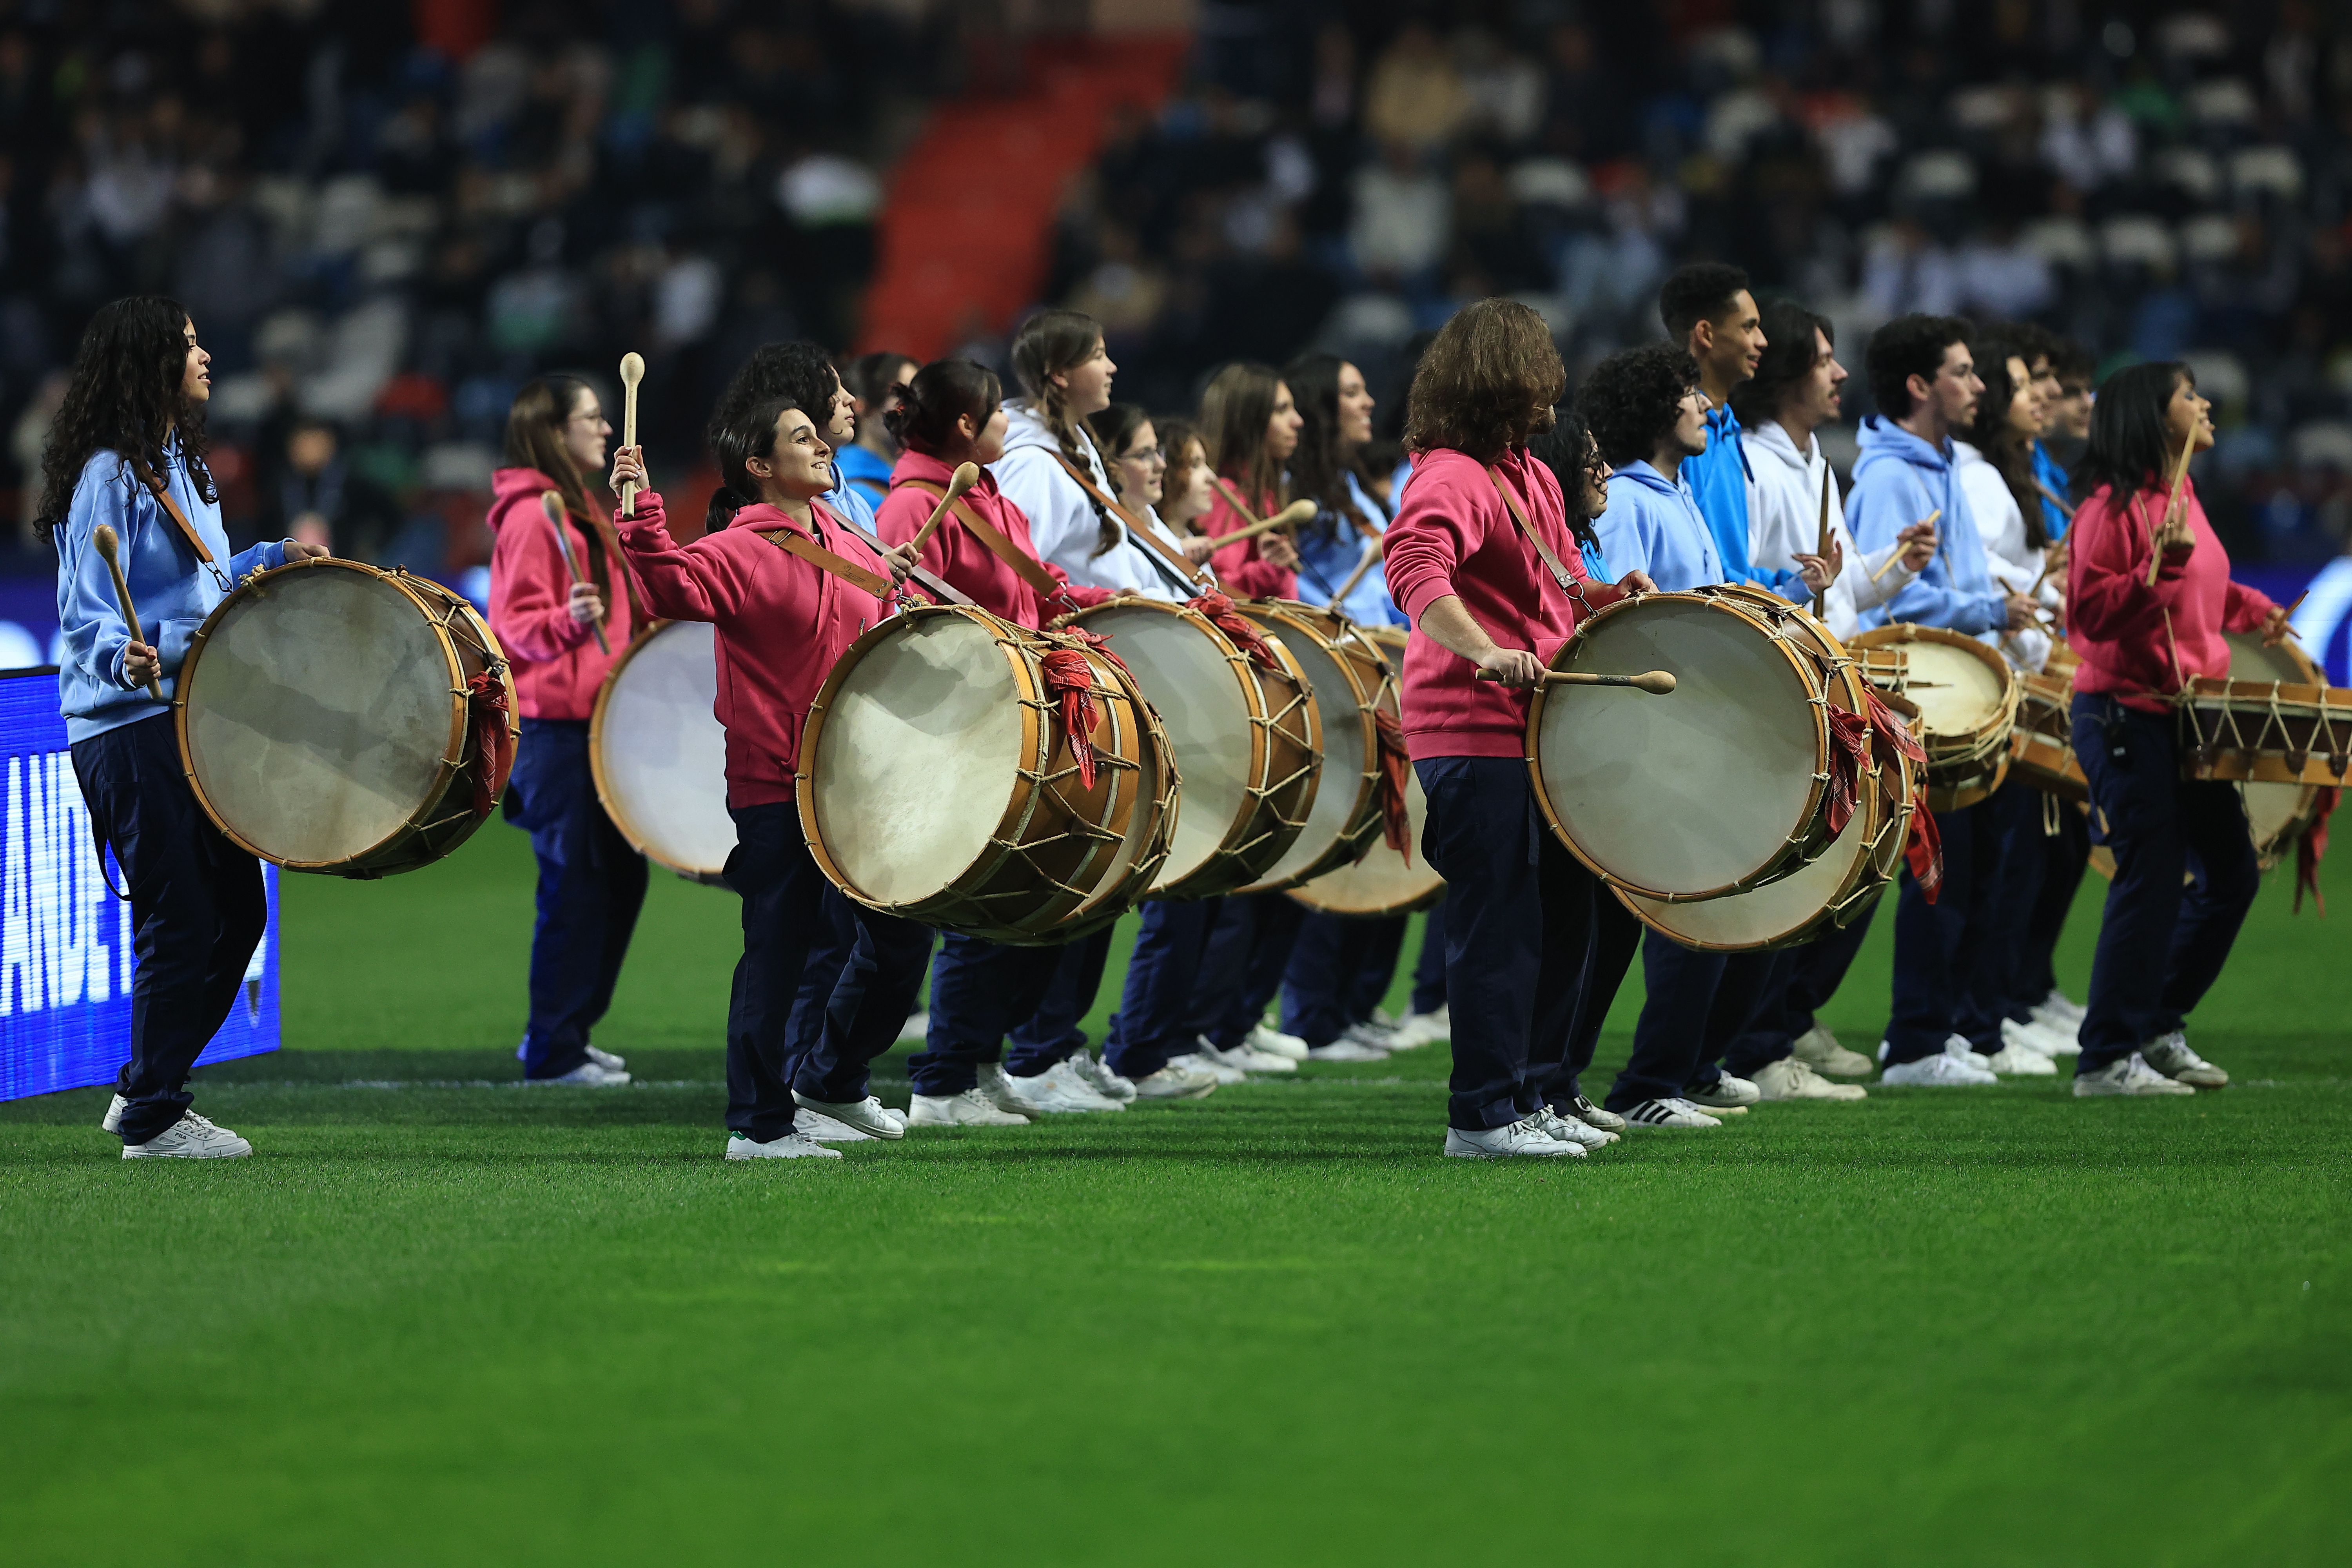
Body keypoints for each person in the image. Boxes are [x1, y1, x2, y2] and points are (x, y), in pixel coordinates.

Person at [612, 397, 935, 1160]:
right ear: (759, 466)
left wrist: (902, 594)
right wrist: (641, 515)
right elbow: (668, 588)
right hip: (775, 782)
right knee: (778, 954)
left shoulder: (842, 537)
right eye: (802, 438)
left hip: (853, 780)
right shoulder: (741, 548)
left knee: (902, 936)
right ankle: (758, 1126)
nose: (822, 447)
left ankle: (832, 1080)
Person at [42, 296, 328, 1158]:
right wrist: (128, 655)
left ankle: (145, 1086)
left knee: (237, 912)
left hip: (186, 716)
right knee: (180, 917)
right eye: (190, 345)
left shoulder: (179, 465)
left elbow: (201, 592)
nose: (206, 357)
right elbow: (86, 620)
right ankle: (155, 1116)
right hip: (128, 727)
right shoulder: (107, 474)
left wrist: (268, 559)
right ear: (151, 364)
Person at [1382, 298, 1651, 1159]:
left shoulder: (1527, 473)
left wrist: (1609, 596)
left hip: (1538, 730)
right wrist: (1485, 650)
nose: (1552, 397)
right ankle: (1481, 1115)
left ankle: (1536, 1091)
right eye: (1540, 379)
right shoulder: (1450, 476)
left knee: (1565, 916)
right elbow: (1414, 570)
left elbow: (1565, 583)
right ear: (1502, 381)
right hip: (1472, 727)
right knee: (1500, 925)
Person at [872, 359, 1141, 1119]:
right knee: (981, 909)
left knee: (1024, 901)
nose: (1007, 424)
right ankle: (942, 1080)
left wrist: (1105, 599)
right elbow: (911, 628)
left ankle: (980, 1059)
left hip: (1014, 720)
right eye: (997, 413)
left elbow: (1032, 588)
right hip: (965, 730)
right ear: (966, 425)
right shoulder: (915, 505)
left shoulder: (984, 492)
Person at [1583, 343, 1842, 1125]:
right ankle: (1646, 1085)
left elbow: (1712, 596)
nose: (1703, 407)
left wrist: (1789, 590)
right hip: (1665, 735)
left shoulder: (1679, 492)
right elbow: (1627, 618)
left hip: (1705, 726)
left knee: (1731, 903)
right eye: (1689, 395)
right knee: (1689, 912)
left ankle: (1691, 1067)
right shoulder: (1631, 500)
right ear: (1654, 410)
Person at [991, 310, 1222, 1100]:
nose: (1112, 366)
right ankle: (1036, 1054)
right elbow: (1021, 575)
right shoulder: (1034, 465)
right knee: (1071, 872)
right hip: (1072, 684)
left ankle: (1054, 1046)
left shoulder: (1071, 451)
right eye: (1096, 355)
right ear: (1060, 374)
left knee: (1098, 877)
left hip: (1103, 674)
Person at [1732, 298, 1937, 1088]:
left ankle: (1790, 1016)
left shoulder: (1816, 462)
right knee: (1796, 872)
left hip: (1836, 688)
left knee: (1857, 866)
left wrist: (1895, 565)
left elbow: (1839, 588)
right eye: (1824, 359)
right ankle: (1760, 1039)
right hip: (1787, 697)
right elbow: (1751, 586)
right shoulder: (1753, 465)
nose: (1840, 372)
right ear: (1788, 373)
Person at [2064, 361, 2284, 1096]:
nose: (2205, 403)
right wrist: (2155, 574)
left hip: (2182, 716)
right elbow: (2088, 617)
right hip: (2123, 714)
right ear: (2157, 417)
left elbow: (2198, 588)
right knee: (2151, 878)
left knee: (2231, 874)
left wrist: (2250, 607)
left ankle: (2156, 1026)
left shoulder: (2181, 493)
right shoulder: (2111, 506)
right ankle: (2105, 1059)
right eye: (2189, 395)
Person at [1846, 314, 2039, 1087]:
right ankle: (1916, 1040)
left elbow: (1953, 577)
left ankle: (1950, 1027)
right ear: (1920, 385)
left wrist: (1997, 601)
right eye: (1962, 371)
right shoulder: (1891, 477)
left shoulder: (1943, 460)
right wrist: (1989, 609)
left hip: (1962, 688)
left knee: (1979, 867)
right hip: (1923, 696)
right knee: (1940, 871)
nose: (1978, 385)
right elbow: (1891, 600)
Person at [487, 375, 649, 1087]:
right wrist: (565, 621)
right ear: (553, 433)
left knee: (617, 878)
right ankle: (554, 1047)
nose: (607, 428)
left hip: (598, 723)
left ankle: (567, 1032)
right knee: (576, 884)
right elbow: (510, 628)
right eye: (592, 418)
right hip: (558, 730)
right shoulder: (532, 516)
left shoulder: (581, 505)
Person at [1272, 350, 1432, 1064]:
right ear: (1320, 409)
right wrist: (1357, 632)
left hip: (1386, 677)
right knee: (1340, 849)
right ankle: (1313, 1014)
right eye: (1352, 393)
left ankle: (1351, 1005)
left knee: (1386, 839)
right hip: (1341, 679)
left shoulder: (1354, 488)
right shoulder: (1296, 492)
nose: (1369, 403)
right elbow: (1295, 595)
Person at [1952, 331, 2073, 1074]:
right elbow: (1976, 567)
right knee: (1989, 868)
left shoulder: (2000, 474)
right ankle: (1968, 1022)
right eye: (2025, 384)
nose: (2040, 396)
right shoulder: (1975, 476)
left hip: (2012, 680)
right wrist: (2042, 590)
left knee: (2009, 865)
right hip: (1987, 685)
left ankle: (1988, 1015)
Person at [1659, 261, 1811, 603]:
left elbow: (1733, 565)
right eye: (1749, 327)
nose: (1763, 341)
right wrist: (1767, 591)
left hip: (1733, 616)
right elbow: (1694, 568)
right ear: (1706, 334)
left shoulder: (1729, 431)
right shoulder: (1675, 437)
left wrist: (1793, 581)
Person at [1198, 361, 1305, 598]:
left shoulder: (1262, 492)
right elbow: (1212, 590)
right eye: (1281, 410)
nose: (1298, 421)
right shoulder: (1225, 497)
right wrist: (1268, 571)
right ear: (1247, 423)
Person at [262, 417, 399, 562]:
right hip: (287, 570)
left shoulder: (351, 484)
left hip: (343, 568)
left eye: (315, 444)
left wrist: (369, 547)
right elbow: (265, 529)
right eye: (302, 445)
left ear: (330, 446)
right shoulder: (278, 486)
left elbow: (389, 514)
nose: (308, 451)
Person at [835, 349, 918, 506]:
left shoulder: (915, 477)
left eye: (919, 395)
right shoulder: (849, 491)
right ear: (861, 407)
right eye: (901, 396)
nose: (917, 408)